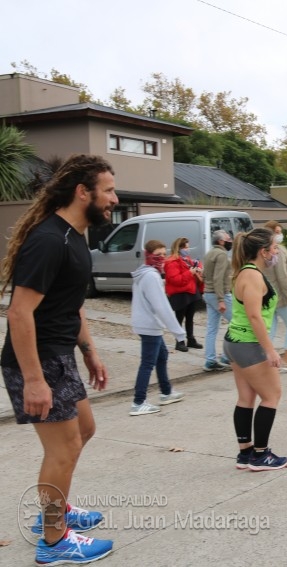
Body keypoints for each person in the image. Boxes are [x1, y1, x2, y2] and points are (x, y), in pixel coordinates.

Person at [0, 154, 116, 564]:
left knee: (84, 429)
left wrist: (90, 352)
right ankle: (54, 539)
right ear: (82, 192)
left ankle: (56, 510)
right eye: (108, 190)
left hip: (59, 355)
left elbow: (71, 305)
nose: (113, 199)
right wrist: (33, 379)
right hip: (38, 360)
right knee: (63, 448)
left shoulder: (75, 238)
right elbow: (18, 312)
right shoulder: (50, 240)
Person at [224, 228, 287, 471]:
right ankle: (260, 455)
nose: (276, 253)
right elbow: (253, 315)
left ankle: (245, 452)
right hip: (247, 345)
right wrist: (270, 350)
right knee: (272, 396)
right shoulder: (252, 275)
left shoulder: (246, 272)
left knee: (246, 398)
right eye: (273, 248)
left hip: (237, 343)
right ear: (263, 251)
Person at [129, 240, 186, 416]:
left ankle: (166, 392)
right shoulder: (151, 276)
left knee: (162, 356)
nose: (161, 258)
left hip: (146, 323)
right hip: (149, 325)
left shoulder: (145, 273)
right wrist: (178, 331)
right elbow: (161, 306)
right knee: (147, 363)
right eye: (158, 255)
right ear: (148, 255)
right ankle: (138, 402)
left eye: (164, 254)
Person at [262, 221, 287, 373]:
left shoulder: (264, 252)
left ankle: (267, 359)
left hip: (267, 296)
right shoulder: (277, 252)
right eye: (277, 232)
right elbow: (283, 277)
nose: (280, 235)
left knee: (270, 328)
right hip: (279, 296)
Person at [164, 237, 203, 351]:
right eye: (186, 247)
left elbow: (195, 265)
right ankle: (179, 341)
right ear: (179, 248)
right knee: (179, 318)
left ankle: (190, 339)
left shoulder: (185, 259)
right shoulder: (172, 262)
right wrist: (189, 273)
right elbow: (175, 280)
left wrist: (197, 269)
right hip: (180, 293)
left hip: (190, 291)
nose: (188, 249)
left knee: (190, 318)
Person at [202, 230, 233, 372]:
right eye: (228, 238)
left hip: (208, 293)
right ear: (221, 241)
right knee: (237, 323)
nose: (230, 240)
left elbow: (205, 275)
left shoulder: (210, 253)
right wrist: (221, 299)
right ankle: (226, 356)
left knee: (212, 328)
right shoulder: (221, 255)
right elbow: (218, 278)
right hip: (219, 294)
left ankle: (210, 360)